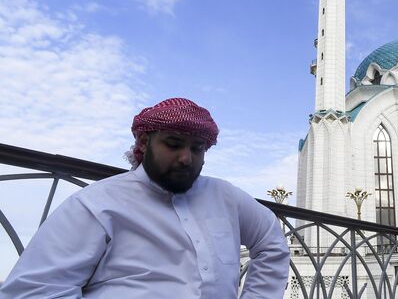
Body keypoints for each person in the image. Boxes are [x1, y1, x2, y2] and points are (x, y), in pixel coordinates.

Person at [0, 98, 290, 298]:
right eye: (174, 144)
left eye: (198, 148)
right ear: (143, 142)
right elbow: (34, 291)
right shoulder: (98, 204)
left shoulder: (225, 196)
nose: (186, 158)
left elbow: (271, 242)